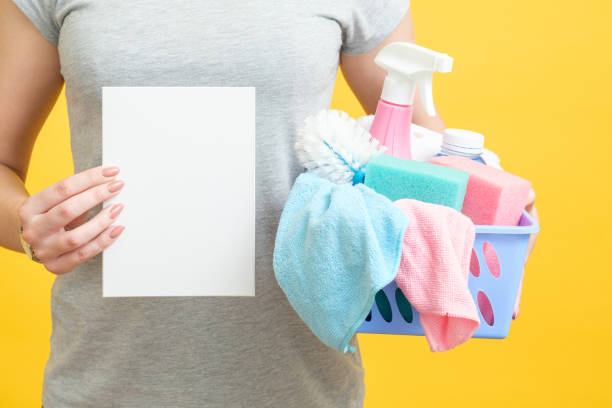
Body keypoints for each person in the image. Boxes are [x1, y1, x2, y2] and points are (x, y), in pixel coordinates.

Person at [0, 0, 538, 406]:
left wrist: (494, 215)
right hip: (106, 381)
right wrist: (27, 226)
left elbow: (421, 154)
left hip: (299, 383)